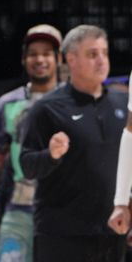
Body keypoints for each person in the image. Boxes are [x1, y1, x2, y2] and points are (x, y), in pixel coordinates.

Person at [20, 25, 126, 262]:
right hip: (61, 235)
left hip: (113, 232)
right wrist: (51, 155)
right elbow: (27, 165)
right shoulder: (47, 108)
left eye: (104, 53)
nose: (101, 60)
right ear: (71, 59)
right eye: (92, 54)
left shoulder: (124, 104)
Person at [0, 25, 61, 262]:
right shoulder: (8, 104)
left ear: (59, 59)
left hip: (64, 210)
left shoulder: (73, 101)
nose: (40, 59)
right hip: (18, 207)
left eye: (47, 53)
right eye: (33, 54)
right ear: (24, 59)